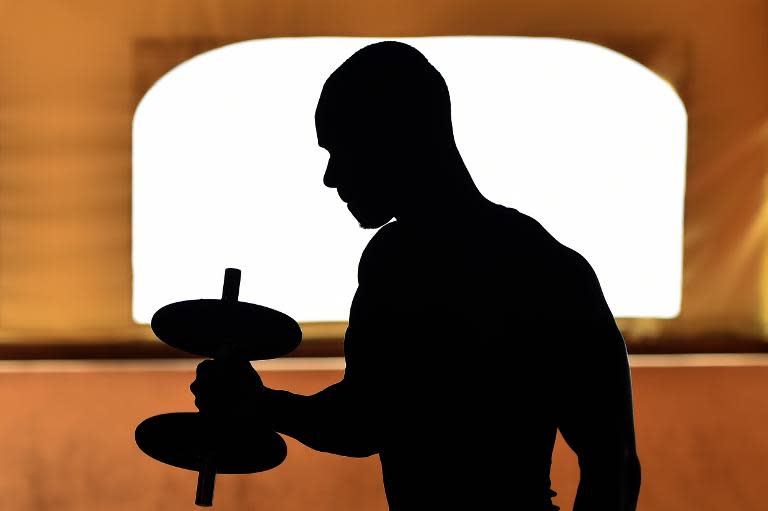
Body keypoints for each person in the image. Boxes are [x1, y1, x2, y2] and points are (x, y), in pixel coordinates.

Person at [192, 41, 641, 510]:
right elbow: (614, 464)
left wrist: (261, 404)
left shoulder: (398, 264)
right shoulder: (550, 267)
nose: (330, 176)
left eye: (342, 149)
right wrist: (261, 404)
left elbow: (363, 421)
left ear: (397, 138)